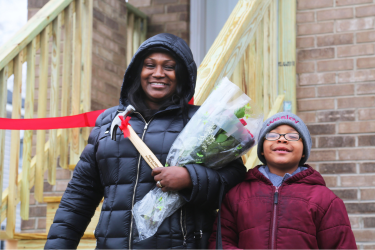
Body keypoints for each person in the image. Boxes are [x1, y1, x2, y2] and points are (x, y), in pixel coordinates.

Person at [44, 33, 246, 249]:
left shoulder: (202, 122)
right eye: (150, 65)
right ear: (137, 71)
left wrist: (191, 178)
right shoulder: (109, 122)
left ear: (182, 74)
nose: (158, 74)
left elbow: (235, 180)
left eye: (169, 67)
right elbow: (79, 197)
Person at [208, 112, 357, 249]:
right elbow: (221, 242)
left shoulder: (326, 200)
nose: (281, 139)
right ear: (261, 149)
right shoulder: (237, 195)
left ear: (304, 150)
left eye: (292, 136)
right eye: (272, 135)